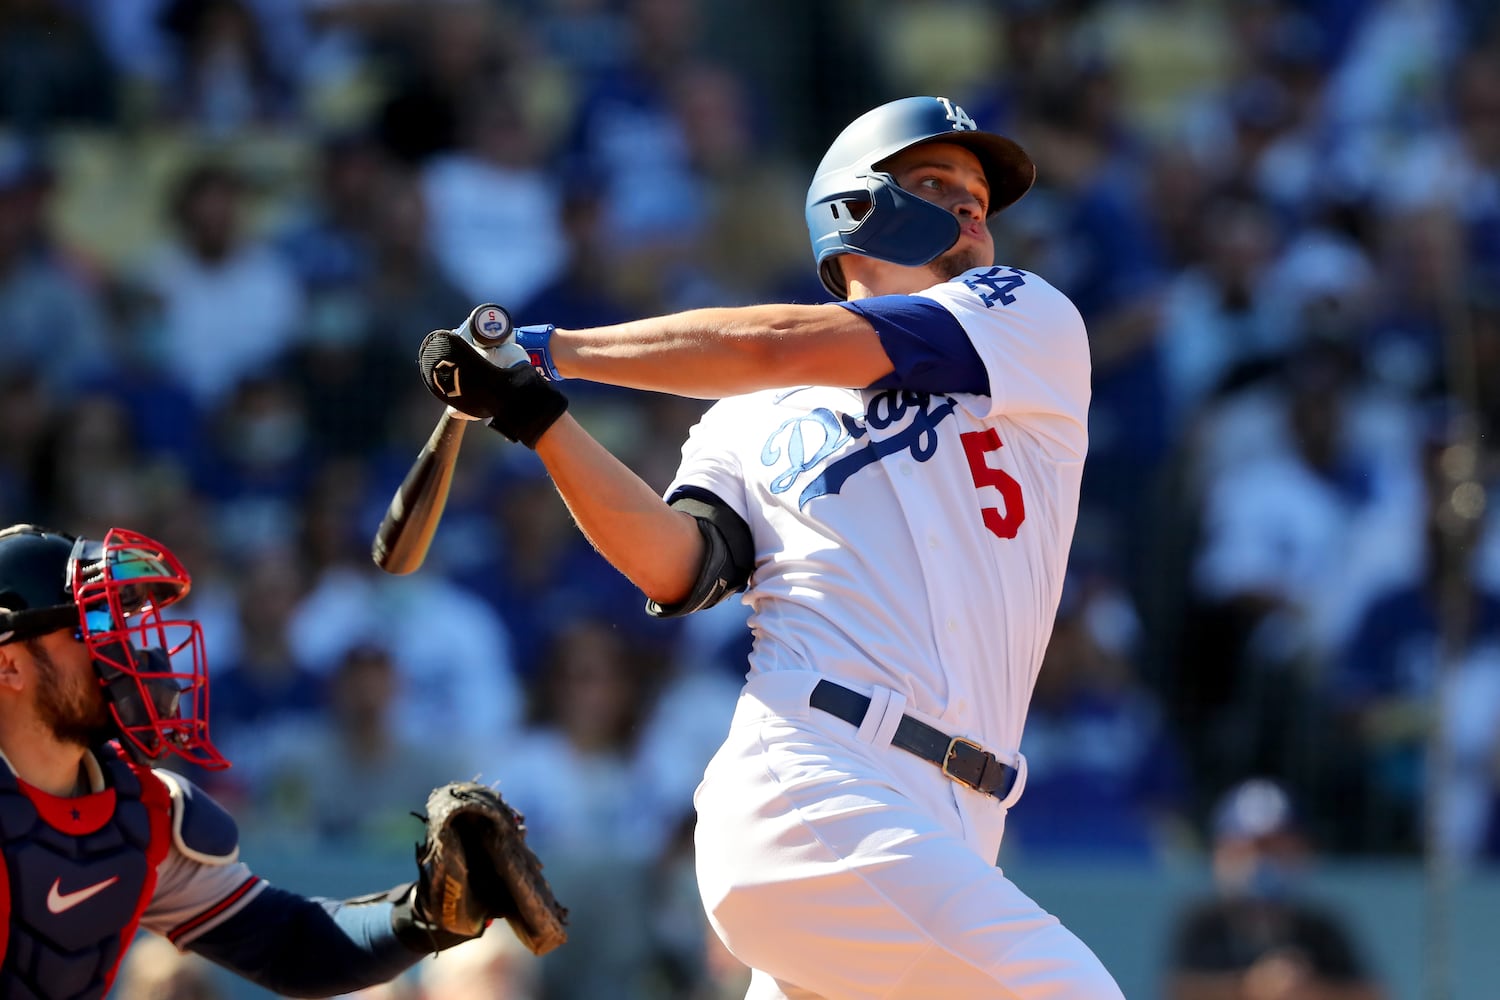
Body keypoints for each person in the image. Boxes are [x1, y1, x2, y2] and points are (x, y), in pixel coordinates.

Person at [418, 95, 1123, 999]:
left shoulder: (1023, 315)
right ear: (855, 211)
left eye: (981, 192)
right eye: (937, 181)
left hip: (951, 819)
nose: (973, 206)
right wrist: (533, 413)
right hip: (816, 773)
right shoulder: (744, 421)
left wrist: (551, 349)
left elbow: (775, 346)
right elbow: (678, 563)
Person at [0, 522, 533, 998]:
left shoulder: (144, 814)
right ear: (9, 666)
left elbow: (290, 945)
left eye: (110, 626)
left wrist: (427, 914)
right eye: (84, 630)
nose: (120, 649)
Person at [1166, 778, 1385, 1000]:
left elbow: (1372, 994)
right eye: (1250, 847)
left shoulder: (1320, 929)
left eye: (1276, 847)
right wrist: (1250, 986)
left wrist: (1310, 989)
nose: (1262, 860)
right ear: (1221, 853)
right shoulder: (1203, 925)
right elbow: (1178, 991)